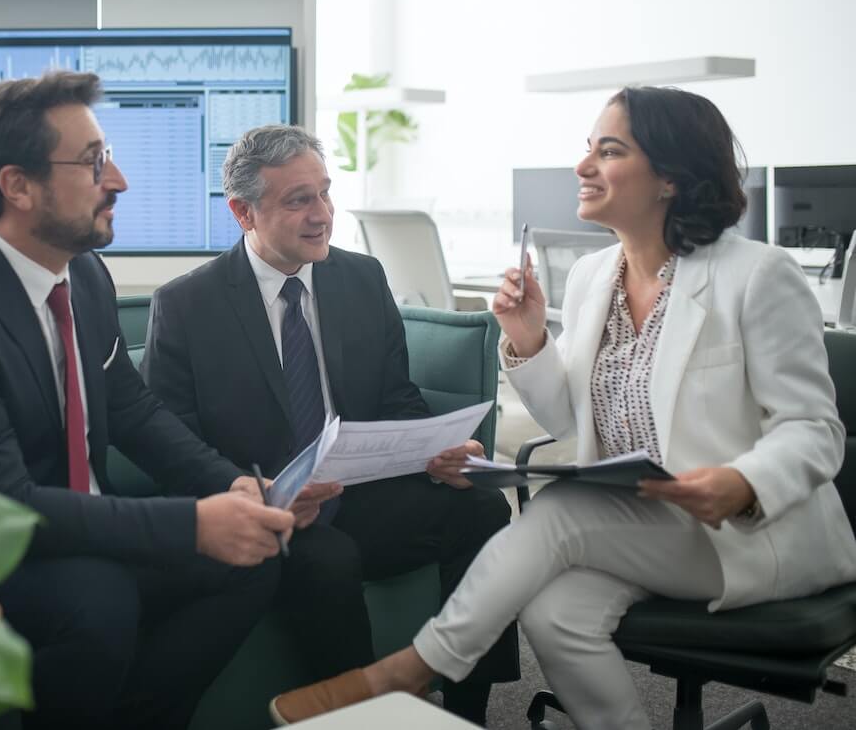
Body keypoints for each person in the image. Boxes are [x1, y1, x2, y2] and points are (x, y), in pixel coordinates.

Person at [268, 86, 856, 728]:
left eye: (610, 151)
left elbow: (814, 431)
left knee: (561, 512)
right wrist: (528, 339)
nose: (582, 167)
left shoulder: (758, 276)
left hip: (742, 533)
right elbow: (572, 423)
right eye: (589, 149)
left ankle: (411, 668)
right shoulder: (592, 277)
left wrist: (743, 482)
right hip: (638, 524)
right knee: (554, 615)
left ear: (670, 178)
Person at [0, 70, 295, 730]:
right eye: (93, 160)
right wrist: (191, 521)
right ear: (16, 186)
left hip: (83, 522)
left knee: (250, 555)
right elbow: (3, 506)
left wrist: (238, 486)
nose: (119, 179)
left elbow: (131, 410)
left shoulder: (82, 271)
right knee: (97, 598)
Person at [140, 124, 518, 724]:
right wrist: (256, 493)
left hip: (363, 493)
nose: (322, 215)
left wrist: (440, 449)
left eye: (325, 193)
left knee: (482, 511)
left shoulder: (361, 278)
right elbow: (171, 442)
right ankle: (361, 717)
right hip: (272, 511)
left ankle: (470, 704)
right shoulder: (188, 305)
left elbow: (397, 399)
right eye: (298, 200)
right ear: (244, 212)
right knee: (328, 558)